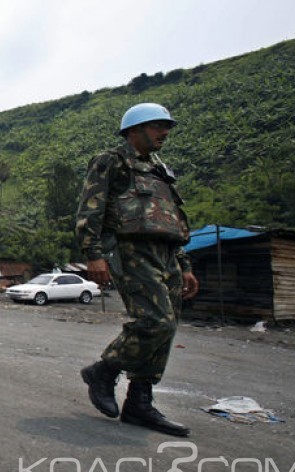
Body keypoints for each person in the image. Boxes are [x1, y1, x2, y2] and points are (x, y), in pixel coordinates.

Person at [76, 103, 199, 437]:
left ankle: (139, 402)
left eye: (166, 126)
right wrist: (94, 254)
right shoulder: (112, 162)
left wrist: (184, 264)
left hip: (167, 254)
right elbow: (91, 208)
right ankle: (104, 369)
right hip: (131, 250)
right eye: (158, 126)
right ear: (135, 129)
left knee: (167, 328)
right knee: (154, 322)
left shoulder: (161, 170)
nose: (165, 132)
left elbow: (174, 220)